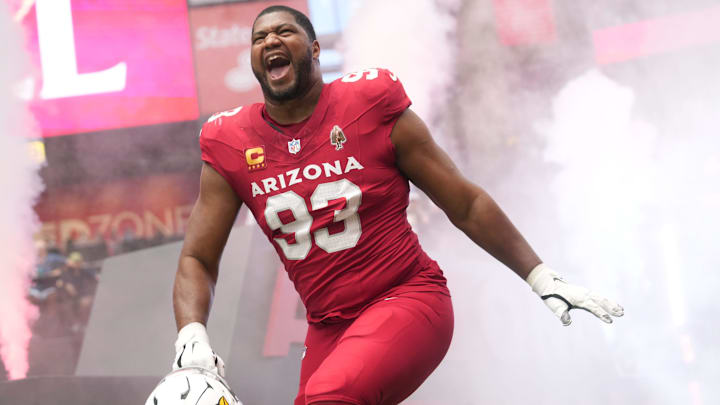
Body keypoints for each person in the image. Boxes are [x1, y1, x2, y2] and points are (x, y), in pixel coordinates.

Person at [171, 5, 624, 405]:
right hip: (328, 327)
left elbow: (463, 202)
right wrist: (191, 332)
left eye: (285, 32)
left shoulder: (369, 103)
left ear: (314, 50)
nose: (270, 40)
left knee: (333, 396)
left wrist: (539, 274)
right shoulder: (229, 140)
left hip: (407, 296)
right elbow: (197, 256)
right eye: (259, 37)